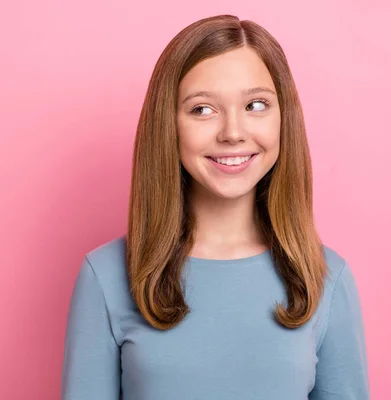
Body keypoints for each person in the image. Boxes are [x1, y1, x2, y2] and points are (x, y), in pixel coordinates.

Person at [60, 14, 369, 400]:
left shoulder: (326, 278)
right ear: (167, 125)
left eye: (256, 104)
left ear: (283, 118)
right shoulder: (105, 276)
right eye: (202, 109)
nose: (233, 132)